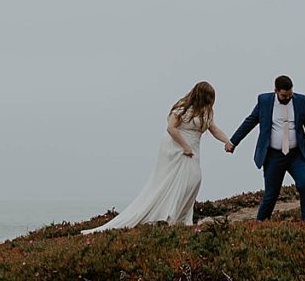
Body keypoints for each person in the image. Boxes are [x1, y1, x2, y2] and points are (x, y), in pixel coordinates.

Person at [86, 83, 233, 231]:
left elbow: (214, 129)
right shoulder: (182, 109)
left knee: (194, 180)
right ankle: (171, 216)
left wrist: (227, 141)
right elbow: (171, 128)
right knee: (178, 182)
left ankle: (181, 216)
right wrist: (185, 146)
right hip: (178, 148)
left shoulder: (205, 113)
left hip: (194, 149)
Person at [228, 73, 305, 222]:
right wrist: (233, 141)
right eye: (284, 96)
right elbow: (250, 122)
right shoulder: (264, 101)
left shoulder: (302, 101)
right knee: (271, 194)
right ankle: (259, 224)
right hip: (273, 156)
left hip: (297, 154)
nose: (288, 98)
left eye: (290, 95)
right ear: (276, 91)